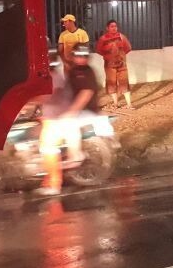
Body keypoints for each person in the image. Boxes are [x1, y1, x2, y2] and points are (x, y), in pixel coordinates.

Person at [35, 47, 102, 196]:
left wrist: (72, 111)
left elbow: (85, 93)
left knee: (48, 147)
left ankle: (56, 180)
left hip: (81, 111)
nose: (81, 58)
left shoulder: (85, 72)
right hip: (60, 112)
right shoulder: (70, 71)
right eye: (78, 55)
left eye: (84, 56)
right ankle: (49, 178)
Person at [96, 20, 133, 109]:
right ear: (107, 28)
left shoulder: (121, 37)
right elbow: (98, 50)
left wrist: (120, 56)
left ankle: (129, 104)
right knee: (111, 83)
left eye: (115, 26)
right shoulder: (103, 39)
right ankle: (115, 104)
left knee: (124, 82)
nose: (114, 28)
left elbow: (128, 48)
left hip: (121, 64)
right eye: (112, 26)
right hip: (109, 65)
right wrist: (108, 56)